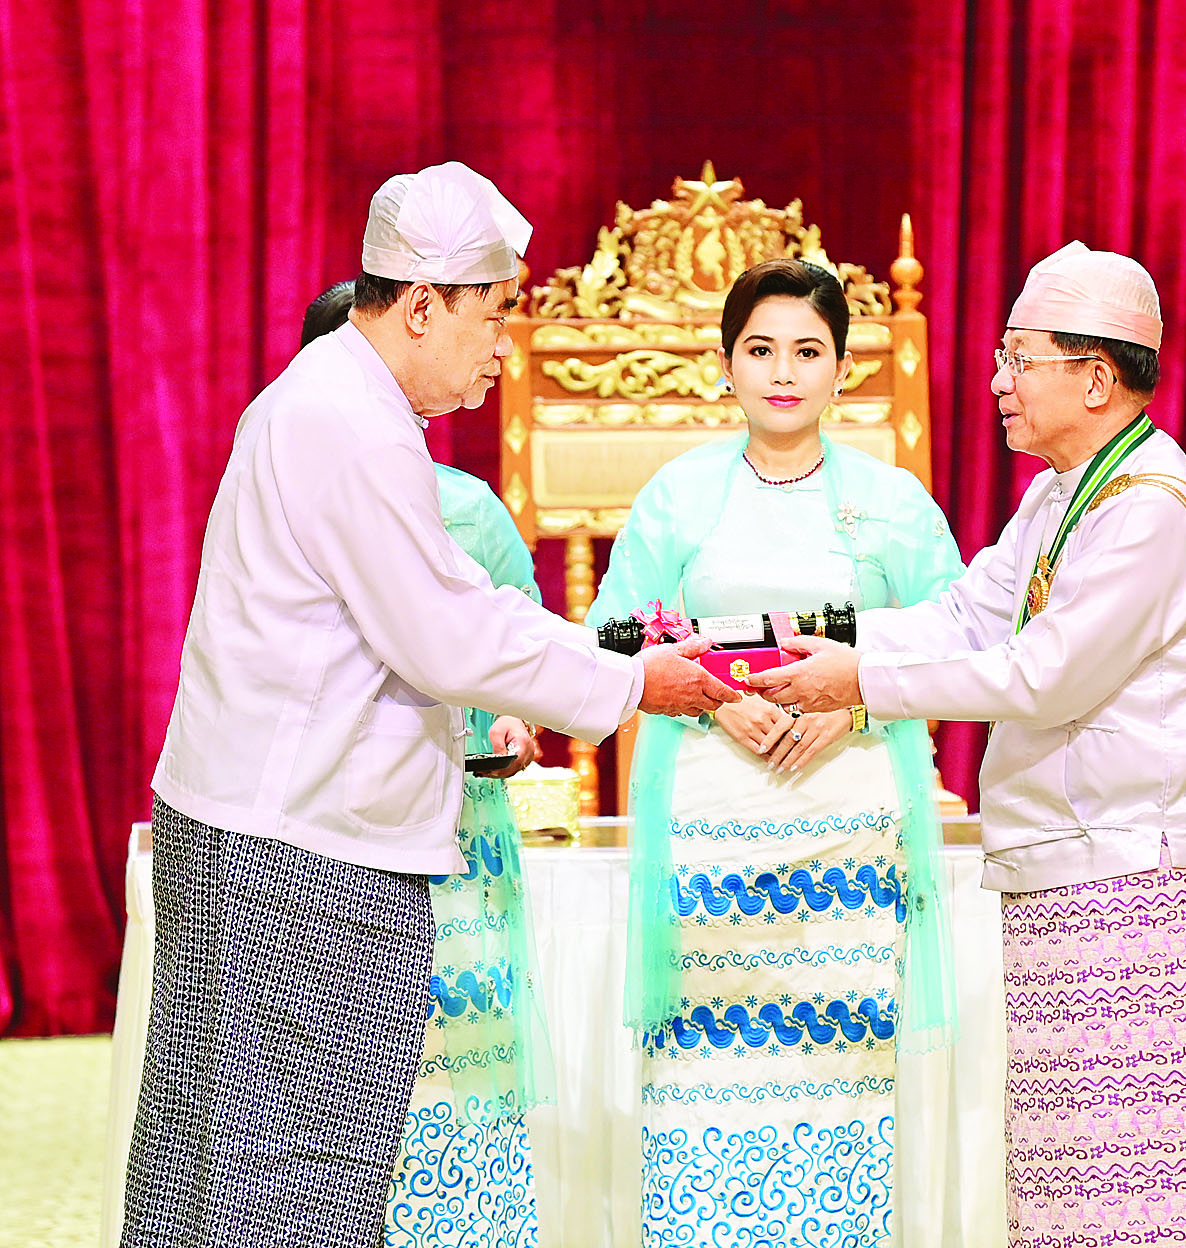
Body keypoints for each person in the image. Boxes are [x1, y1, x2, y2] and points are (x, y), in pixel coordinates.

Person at [124, 162, 737, 1248]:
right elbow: (447, 635)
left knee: (217, 1155)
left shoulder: (338, 403)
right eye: (493, 315)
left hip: (266, 825)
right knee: (289, 1177)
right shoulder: (347, 424)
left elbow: (457, 603)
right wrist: (633, 681)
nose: (504, 346)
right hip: (296, 847)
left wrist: (610, 658)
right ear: (420, 306)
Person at [750, 242, 1186, 1248]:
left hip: (1132, 869)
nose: (997, 383)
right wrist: (829, 639)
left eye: (1019, 359)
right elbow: (967, 619)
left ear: (1095, 379)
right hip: (1073, 863)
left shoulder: (1147, 509)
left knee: (1137, 1184)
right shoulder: (1065, 492)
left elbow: (1041, 675)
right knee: (1068, 1181)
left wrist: (859, 684)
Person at [585, 258, 964, 1247]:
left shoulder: (892, 502)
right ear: (725, 365)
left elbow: (959, 637)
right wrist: (711, 701)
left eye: (808, 351)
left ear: (843, 368)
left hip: (848, 828)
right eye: (760, 350)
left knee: (841, 1070)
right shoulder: (678, 496)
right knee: (704, 1073)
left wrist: (859, 703)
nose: (783, 372)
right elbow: (609, 635)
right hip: (710, 821)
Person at [301, 280, 548, 1246]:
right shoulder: (294, 484)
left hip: (460, 823)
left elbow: (521, 642)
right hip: (339, 828)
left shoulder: (469, 507)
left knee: (461, 1055)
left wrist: (514, 721)